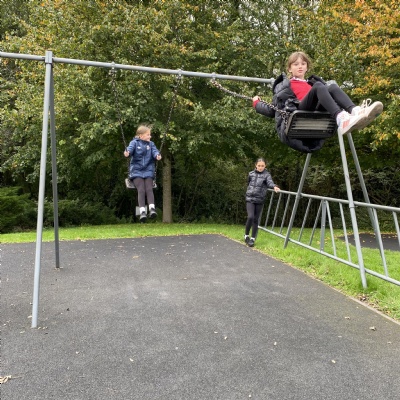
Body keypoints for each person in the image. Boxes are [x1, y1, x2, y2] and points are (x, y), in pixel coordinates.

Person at [253, 51, 383, 153]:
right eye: (296, 64)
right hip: (300, 110)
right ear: (290, 68)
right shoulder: (285, 86)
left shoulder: (311, 83)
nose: (300, 66)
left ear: (307, 67)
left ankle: (356, 111)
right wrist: (257, 104)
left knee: (332, 87)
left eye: (303, 64)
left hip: (317, 111)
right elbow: (273, 110)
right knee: (320, 86)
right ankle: (341, 118)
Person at [124, 124, 162, 222]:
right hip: (136, 171)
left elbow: (155, 151)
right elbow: (129, 150)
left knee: (149, 188)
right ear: (141, 135)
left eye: (150, 134)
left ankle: (152, 209)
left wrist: (157, 155)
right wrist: (127, 153)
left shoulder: (151, 144)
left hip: (148, 170)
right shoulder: (134, 143)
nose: (150, 136)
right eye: (148, 134)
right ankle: (142, 212)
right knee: (141, 189)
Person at [244, 158, 280, 247]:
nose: (260, 167)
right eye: (259, 165)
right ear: (256, 165)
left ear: (265, 166)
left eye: (262, 166)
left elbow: (270, 183)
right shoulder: (251, 174)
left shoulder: (267, 175)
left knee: (255, 219)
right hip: (250, 198)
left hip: (259, 199)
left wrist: (274, 186)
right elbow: (249, 184)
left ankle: (253, 238)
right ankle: (246, 235)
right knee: (250, 217)